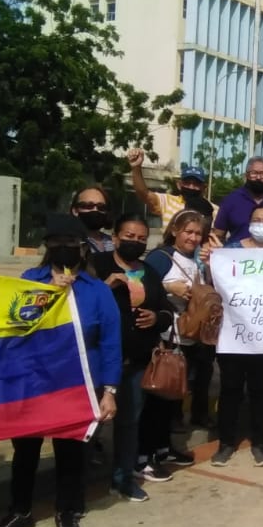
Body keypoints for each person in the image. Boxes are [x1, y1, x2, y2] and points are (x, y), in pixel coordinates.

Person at [0, 214, 122, 527]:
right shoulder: (30, 279)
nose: (65, 250)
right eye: (57, 244)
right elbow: (17, 326)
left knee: (71, 452)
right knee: (26, 452)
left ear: (83, 248)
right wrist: (47, 293)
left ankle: (68, 510)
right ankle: (20, 510)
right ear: (47, 246)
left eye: (71, 244)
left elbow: (109, 341)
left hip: (77, 384)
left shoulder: (96, 292)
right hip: (34, 382)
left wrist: (109, 391)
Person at [91, 214, 173, 499]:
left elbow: (165, 309)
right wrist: (103, 287)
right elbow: (74, 302)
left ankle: (123, 478)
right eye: (128, 236)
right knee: (90, 424)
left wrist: (156, 318)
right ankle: (77, 484)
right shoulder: (97, 265)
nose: (134, 242)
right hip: (96, 361)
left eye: (140, 238)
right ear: (114, 238)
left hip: (136, 363)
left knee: (128, 424)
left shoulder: (149, 272)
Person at [212, 205, 263, 466]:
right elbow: (214, 282)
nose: (262, 224)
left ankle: (260, 444)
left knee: (260, 391)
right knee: (230, 390)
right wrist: (209, 257)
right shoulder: (230, 251)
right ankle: (225, 444)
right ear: (248, 222)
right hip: (233, 334)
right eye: (256, 219)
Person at [141, 209, 212, 471]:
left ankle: (164, 449)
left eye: (198, 233)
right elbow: (141, 288)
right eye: (188, 232)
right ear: (174, 230)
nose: (193, 238)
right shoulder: (161, 258)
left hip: (188, 339)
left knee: (172, 399)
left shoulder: (195, 261)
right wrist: (168, 288)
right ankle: (144, 456)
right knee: (157, 399)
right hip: (165, 339)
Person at [211, 157, 263, 247]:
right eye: (254, 173)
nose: (258, 177)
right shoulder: (231, 200)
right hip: (236, 256)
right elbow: (218, 235)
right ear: (246, 175)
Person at [129, 149, 216, 224]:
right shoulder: (167, 202)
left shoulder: (214, 210)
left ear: (204, 187)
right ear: (179, 185)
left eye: (196, 184)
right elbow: (144, 194)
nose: (191, 187)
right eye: (187, 183)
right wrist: (136, 167)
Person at [71, 185, 114, 254]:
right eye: (88, 206)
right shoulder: (69, 243)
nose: (95, 210)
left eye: (101, 207)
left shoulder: (115, 244)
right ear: (75, 211)